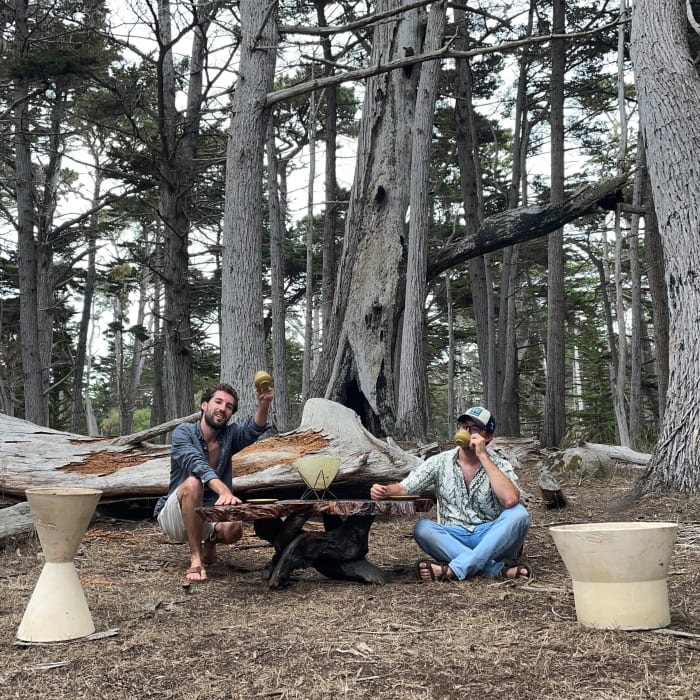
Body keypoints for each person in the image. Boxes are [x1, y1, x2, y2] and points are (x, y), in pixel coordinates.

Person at [370, 406, 532, 582]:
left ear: (488, 436)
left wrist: (483, 456)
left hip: (491, 537)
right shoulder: (439, 462)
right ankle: (494, 570)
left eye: (475, 428)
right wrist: (385, 490)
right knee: (423, 528)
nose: (467, 431)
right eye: (464, 426)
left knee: (519, 514)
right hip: (453, 537)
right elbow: (405, 487)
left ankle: (456, 568)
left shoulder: (499, 464)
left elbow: (510, 499)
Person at [154, 381, 273, 583]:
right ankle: (196, 558)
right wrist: (223, 490)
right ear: (204, 405)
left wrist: (264, 404)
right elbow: (196, 464)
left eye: (228, 406)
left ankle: (210, 541)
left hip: (208, 515)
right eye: (218, 402)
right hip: (175, 515)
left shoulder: (229, 436)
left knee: (234, 527)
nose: (223, 408)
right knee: (193, 483)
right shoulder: (184, 432)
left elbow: (253, 429)